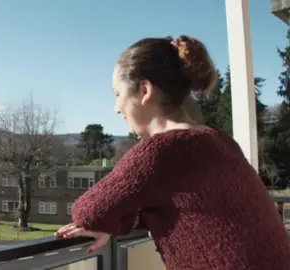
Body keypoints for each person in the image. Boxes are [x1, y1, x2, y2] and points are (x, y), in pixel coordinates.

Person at [55, 35, 290, 270]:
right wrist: (129, 218)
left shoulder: (161, 151)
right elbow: (180, 207)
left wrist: (117, 223)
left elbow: (88, 212)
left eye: (118, 94)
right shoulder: (220, 141)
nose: (117, 108)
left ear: (145, 90)